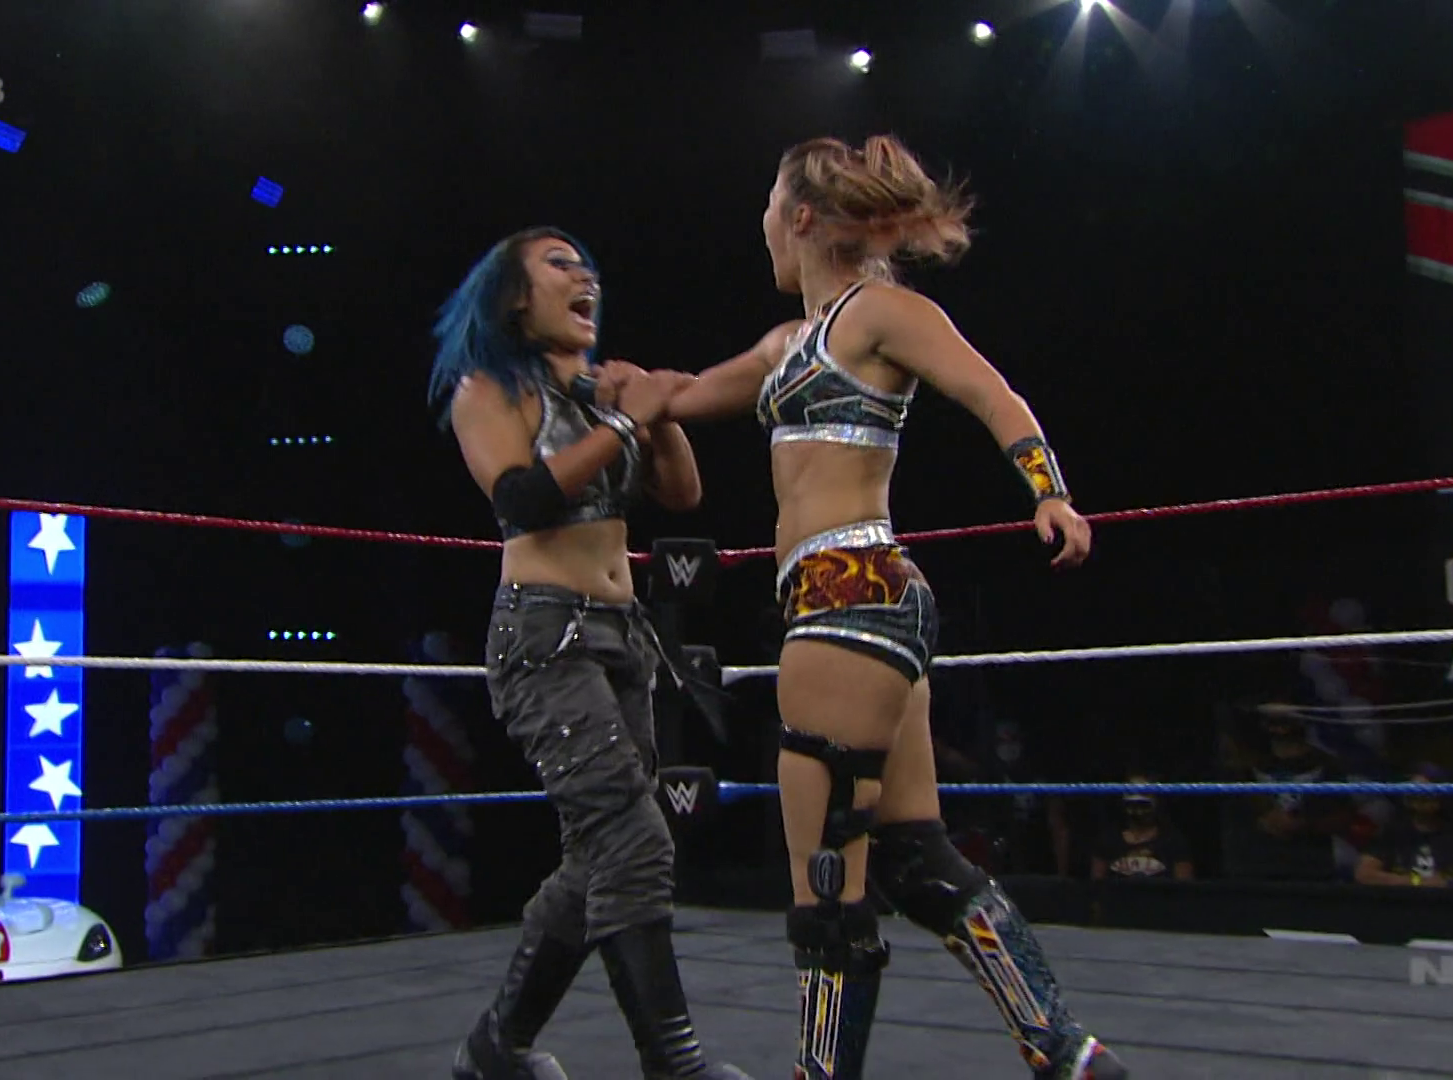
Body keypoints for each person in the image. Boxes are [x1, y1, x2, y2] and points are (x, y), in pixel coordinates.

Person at [603, 137, 1127, 1079]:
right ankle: (1066, 1052)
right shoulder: (784, 346)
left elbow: (991, 393)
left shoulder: (880, 312)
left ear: (801, 217)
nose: (762, 223)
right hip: (863, 611)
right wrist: (614, 389)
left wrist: (1048, 491)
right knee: (916, 858)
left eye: (771, 205)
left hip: (848, 600)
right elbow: (684, 395)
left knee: (824, 888)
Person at [430, 226, 751, 1080]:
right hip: (545, 638)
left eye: (587, 266)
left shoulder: (603, 392)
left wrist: (656, 411)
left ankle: (495, 1048)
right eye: (558, 264)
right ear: (514, 299)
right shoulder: (488, 390)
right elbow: (524, 500)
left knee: (600, 852)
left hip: (621, 634)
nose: (585, 276)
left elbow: (682, 493)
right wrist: (626, 418)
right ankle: (673, 1064)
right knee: (635, 841)